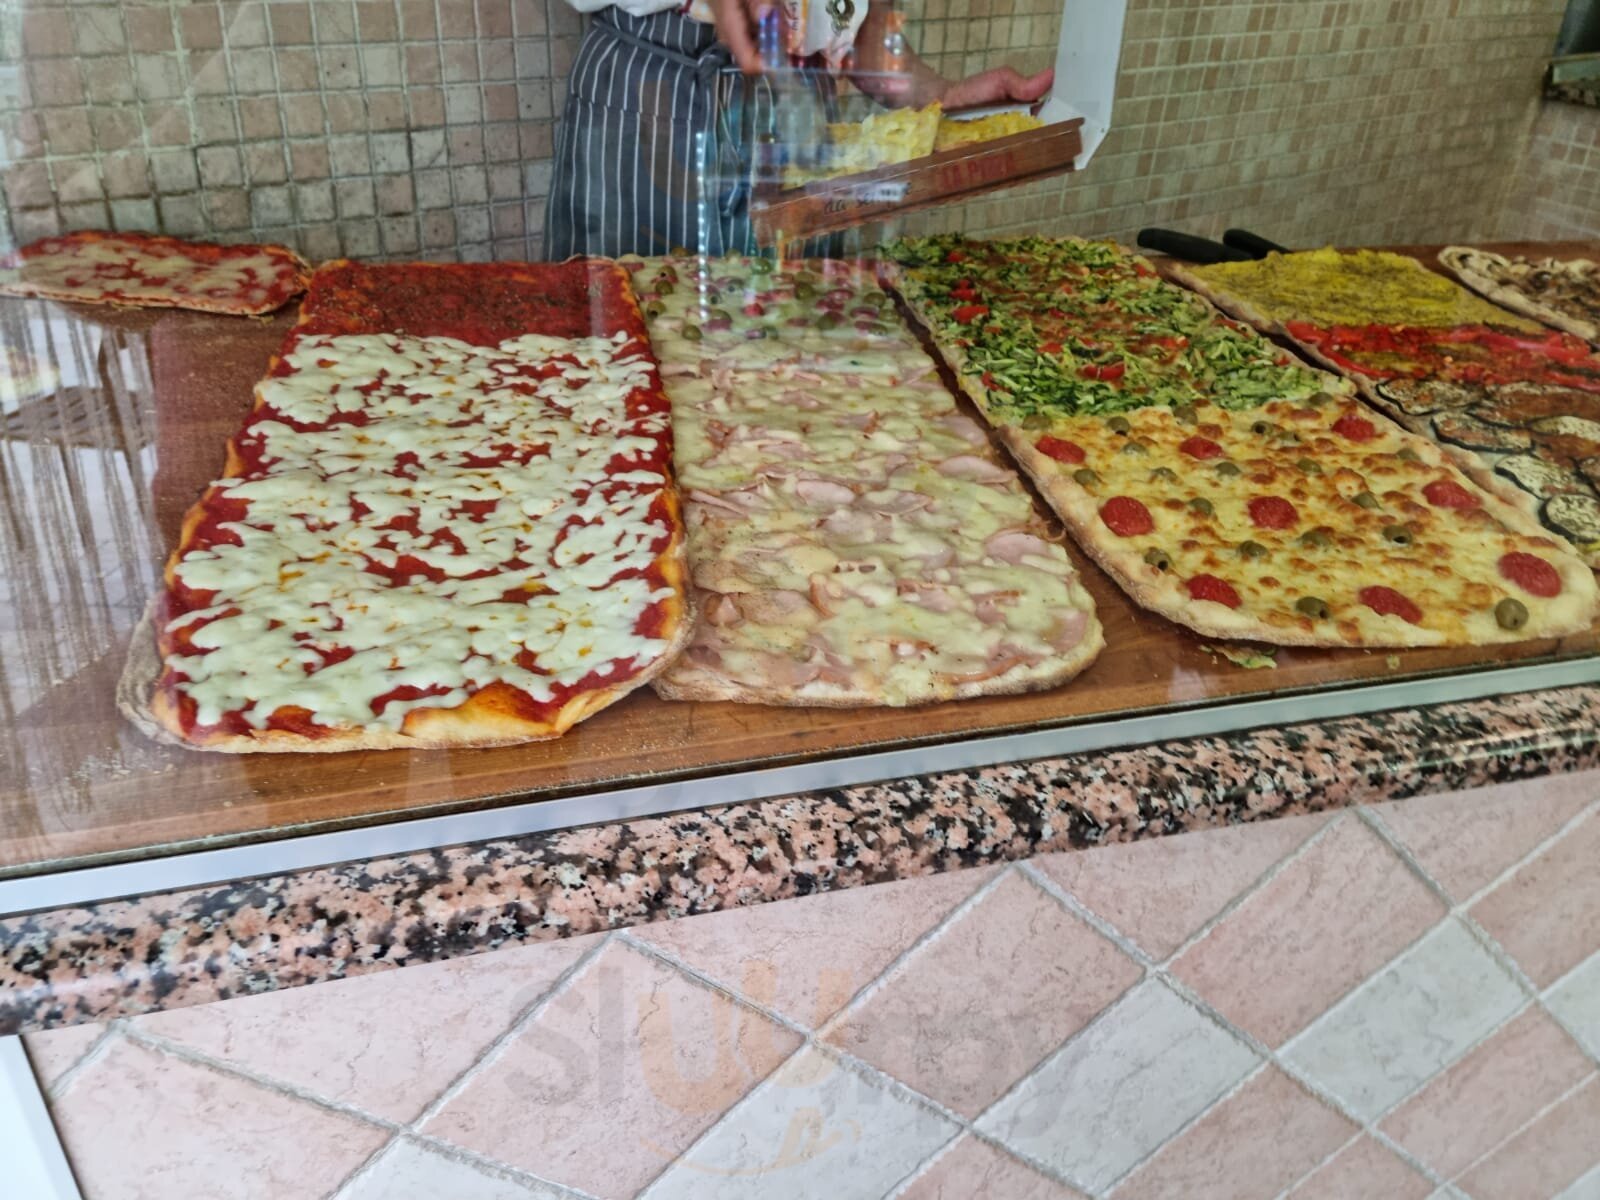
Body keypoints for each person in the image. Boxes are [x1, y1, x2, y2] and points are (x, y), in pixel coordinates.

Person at [544, 0, 1053, 259]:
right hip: (649, 96)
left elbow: (854, 24)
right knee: (615, 387)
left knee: (790, 393)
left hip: (798, 117)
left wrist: (940, 98)